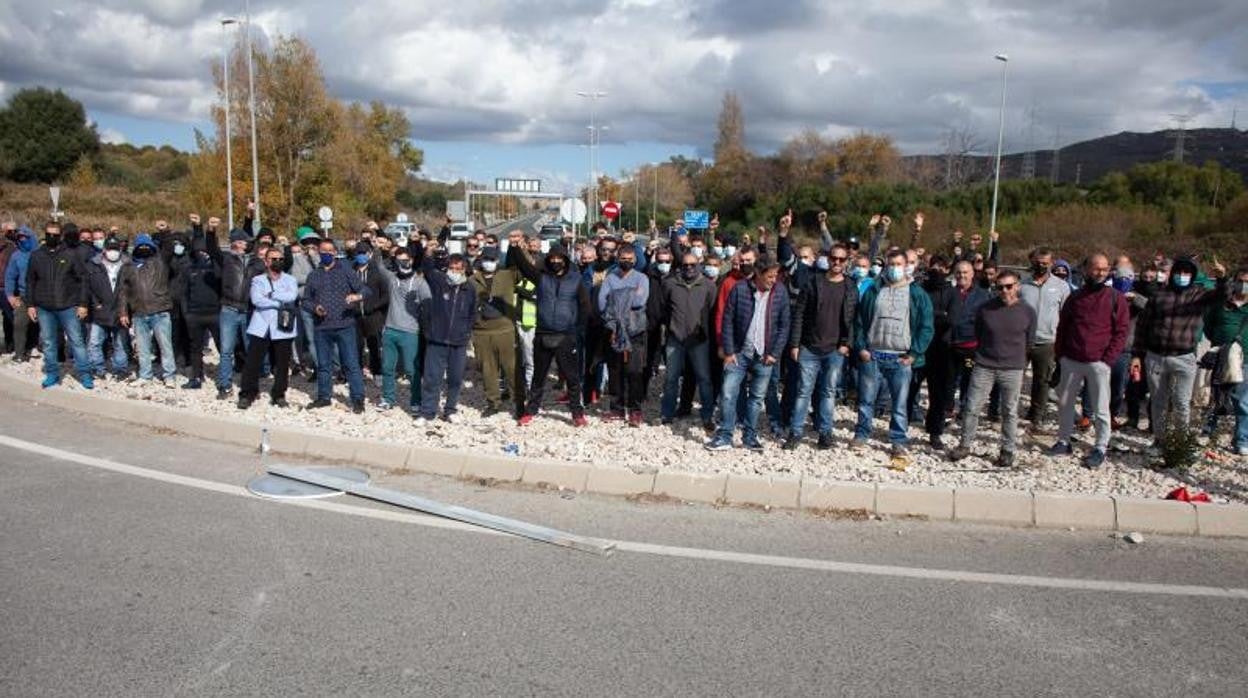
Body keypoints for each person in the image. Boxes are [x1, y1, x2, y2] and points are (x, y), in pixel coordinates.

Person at [1132, 255, 1227, 454]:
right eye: (1179, 272)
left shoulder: (1199, 295)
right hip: (1156, 356)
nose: (1182, 276)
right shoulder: (1159, 295)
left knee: (1182, 402)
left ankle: (1181, 443)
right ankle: (1160, 440)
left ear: (1192, 276)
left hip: (1184, 357)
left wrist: (1222, 279)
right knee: (1158, 401)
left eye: (1187, 273)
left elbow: (1221, 296)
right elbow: (1142, 326)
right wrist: (1137, 355)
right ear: (1173, 273)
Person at [1045, 255, 1131, 468]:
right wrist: (1061, 355)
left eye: (1104, 269)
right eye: (1096, 268)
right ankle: (1064, 441)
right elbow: (1063, 327)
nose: (1100, 272)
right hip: (1071, 360)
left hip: (1098, 362)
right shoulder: (1075, 298)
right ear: (1086, 270)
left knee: (1101, 408)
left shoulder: (1115, 298)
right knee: (1065, 404)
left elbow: (1121, 332)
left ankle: (1100, 446)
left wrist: (1107, 359)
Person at [851, 248, 935, 458]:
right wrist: (861, 347)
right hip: (873, 355)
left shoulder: (917, 294)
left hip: (900, 358)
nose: (894, 268)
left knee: (899, 403)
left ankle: (898, 439)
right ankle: (862, 433)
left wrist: (914, 353)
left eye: (898, 264)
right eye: (891, 264)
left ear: (906, 266)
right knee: (866, 400)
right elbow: (859, 322)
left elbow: (926, 326)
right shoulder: (873, 290)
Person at [948, 270, 1036, 467]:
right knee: (971, 407)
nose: (1004, 291)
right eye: (1000, 287)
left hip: (1012, 368)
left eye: (1009, 286)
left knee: (1009, 410)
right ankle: (965, 444)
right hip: (985, 364)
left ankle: (1007, 449)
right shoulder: (985, 309)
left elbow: (1029, 341)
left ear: (1017, 286)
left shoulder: (1028, 311)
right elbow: (979, 333)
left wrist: (1020, 362)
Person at [706, 257, 790, 452]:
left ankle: (750, 437)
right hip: (739, 352)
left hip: (765, 355)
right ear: (758, 274)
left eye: (775, 276)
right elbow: (727, 320)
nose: (773, 280)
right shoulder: (740, 289)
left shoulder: (780, 292)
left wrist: (775, 353)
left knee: (756, 398)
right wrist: (728, 351)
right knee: (728, 393)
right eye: (770, 276)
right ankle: (725, 435)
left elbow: (784, 325)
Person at [510, 242, 591, 426]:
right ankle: (531, 410)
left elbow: (585, 306)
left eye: (559, 258)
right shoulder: (541, 278)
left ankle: (577, 413)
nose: (556, 261)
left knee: (572, 378)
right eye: (552, 258)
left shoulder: (575, 280)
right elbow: (525, 267)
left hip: (566, 336)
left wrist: (578, 328)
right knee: (538, 376)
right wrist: (515, 248)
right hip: (543, 334)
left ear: (565, 260)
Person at [785, 243, 857, 450]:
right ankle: (795, 432)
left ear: (846, 262)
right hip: (809, 347)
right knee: (803, 392)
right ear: (828, 258)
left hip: (835, 350)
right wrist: (795, 343)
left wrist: (846, 344)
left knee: (828, 393)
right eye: (834, 258)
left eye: (842, 259)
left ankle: (825, 433)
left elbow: (853, 319)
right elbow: (799, 313)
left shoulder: (850, 287)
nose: (837, 262)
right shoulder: (812, 282)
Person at [303, 239, 370, 414]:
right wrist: (314, 308)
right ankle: (324, 396)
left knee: (351, 364)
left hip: (345, 324)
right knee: (324, 365)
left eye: (331, 251)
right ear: (318, 252)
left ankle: (357, 399)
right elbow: (306, 301)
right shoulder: (314, 275)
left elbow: (364, 289)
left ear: (335, 252)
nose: (327, 254)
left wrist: (357, 297)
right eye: (324, 251)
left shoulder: (346, 271)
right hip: (322, 326)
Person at [24, 221, 93, 389]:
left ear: (60, 236)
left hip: (68, 305)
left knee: (77, 341)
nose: (52, 237)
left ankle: (85, 374)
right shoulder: (37, 255)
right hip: (44, 307)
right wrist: (30, 305)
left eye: (55, 235)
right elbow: (30, 281)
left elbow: (83, 279)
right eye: (49, 235)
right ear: (45, 235)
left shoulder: (70, 254)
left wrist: (83, 303)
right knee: (48, 342)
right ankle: (52, 374)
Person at [416, 246, 477, 424]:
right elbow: (427, 269)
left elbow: (472, 313)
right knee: (432, 378)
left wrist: (466, 332)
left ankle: (450, 410)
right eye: (452, 268)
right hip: (437, 340)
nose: (455, 272)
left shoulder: (470, 289)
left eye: (458, 269)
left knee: (455, 378)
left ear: (464, 270)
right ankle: (428, 412)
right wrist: (428, 253)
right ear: (447, 268)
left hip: (459, 342)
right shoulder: (439, 282)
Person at [659, 252, 717, 430]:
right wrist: (670, 329)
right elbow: (664, 308)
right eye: (685, 265)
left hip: (699, 340)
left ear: (699, 264)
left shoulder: (708, 286)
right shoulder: (670, 284)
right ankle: (667, 413)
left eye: (693, 264)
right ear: (680, 266)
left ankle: (707, 415)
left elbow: (712, 312)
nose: (689, 268)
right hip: (675, 339)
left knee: (704, 379)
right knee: (671, 378)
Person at [238, 247, 298, 409]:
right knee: (253, 362)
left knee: (282, 363)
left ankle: (279, 394)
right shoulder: (258, 280)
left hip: (283, 327)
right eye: (273, 259)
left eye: (280, 259)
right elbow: (257, 300)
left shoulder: (290, 280)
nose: (277, 262)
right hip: (261, 326)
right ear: (266, 261)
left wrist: (271, 296)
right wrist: (279, 301)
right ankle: (247, 393)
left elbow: (291, 296)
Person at [598, 244, 649, 425]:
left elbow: (640, 301)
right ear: (617, 259)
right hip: (614, 330)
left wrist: (616, 297)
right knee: (615, 371)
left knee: (634, 371)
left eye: (630, 259)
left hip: (635, 331)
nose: (626, 261)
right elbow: (602, 304)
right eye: (623, 258)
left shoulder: (642, 278)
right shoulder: (610, 278)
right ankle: (617, 408)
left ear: (635, 260)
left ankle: (635, 409)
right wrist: (629, 293)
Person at [375, 245, 430, 412]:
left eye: (406, 260)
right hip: (390, 330)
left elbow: (428, 304)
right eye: (399, 261)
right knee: (387, 367)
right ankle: (388, 399)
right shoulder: (392, 279)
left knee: (411, 370)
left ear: (411, 261)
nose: (403, 264)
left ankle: (416, 401)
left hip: (410, 332)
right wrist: (379, 248)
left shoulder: (420, 282)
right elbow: (378, 265)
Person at [212, 228, 265, 400]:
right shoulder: (226, 259)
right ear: (234, 242)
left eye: (247, 241)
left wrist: (250, 215)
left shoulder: (256, 262)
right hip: (229, 309)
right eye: (242, 241)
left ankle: (251, 387)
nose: (246, 243)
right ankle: (224, 386)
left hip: (249, 310)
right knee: (226, 350)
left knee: (251, 350)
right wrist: (211, 231)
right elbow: (212, 249)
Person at [1018, 247, 1070, 425]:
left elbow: (1066, 315)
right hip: (1022, 340)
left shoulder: (1062, 287)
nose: (1041, 266)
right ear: (1032, 262)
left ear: (1052, 263)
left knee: (1043, 381)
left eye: (1045, 264)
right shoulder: (1022, 285)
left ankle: (1037, 415)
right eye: (1038, 263)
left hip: (1048, 341)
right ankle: (1009, 411)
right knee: (1015, 378)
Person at [469, 247, 521, 417]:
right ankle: (493, 402)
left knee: (512, 368)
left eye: (492, 259)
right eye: (486, 259)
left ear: (498, 260)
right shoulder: (472, 280)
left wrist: (517, 248)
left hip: (505, 329)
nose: (489, 263)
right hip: (481, 332)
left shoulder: (508, 275)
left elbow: (526, 268)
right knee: (487, 369)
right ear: (481, 260)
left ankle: (519, 401)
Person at [118, 234, 176, 386]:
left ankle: (169, 375)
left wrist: (166, 232)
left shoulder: (160, 262)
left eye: (147, 246)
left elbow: (169, 249)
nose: (144, 249)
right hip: (139, 313)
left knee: (165, 346)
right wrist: (123, 312)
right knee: (143, 347)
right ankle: (145, 375)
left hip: (160, 311)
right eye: (140, 246)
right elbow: (123, 291)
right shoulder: (128, 267)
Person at [1204, 268, 1248, 455]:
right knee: (1215, 397)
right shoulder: (1221, 304)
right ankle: (1207, 432)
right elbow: (1208, 324)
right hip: (1220, 356)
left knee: (1242, 401)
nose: (1244, 284)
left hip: (1245, 359)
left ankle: (1242, 439)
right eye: (1241, 280)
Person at [85, 237, 130, 379]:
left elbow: (132, 288)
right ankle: (97, 368)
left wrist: (126, 308)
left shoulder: (128, 265)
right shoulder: (94, 264)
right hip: (99, 310)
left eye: (116, 249)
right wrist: (95, 303)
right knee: (94, 342)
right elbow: (88, 287)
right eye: (110, 249)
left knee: (121, 343)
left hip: (120, 311)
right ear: (104, 250)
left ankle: (120, 369)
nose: (113, 252)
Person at [180, 246, 222, 390]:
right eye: (199, 251)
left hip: (214, 313)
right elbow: (183, 294)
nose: (202, 254)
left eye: (205, 251)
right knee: (195, 348)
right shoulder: (188, 269)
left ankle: (224, 377)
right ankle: (196, 377)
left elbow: (223, 289)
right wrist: (187, 314)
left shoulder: (216, 270)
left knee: (223, 346)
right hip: (195, 315)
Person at [5, 226, 37, 361]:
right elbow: (10, 276)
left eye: (25, 237)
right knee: (19, 324)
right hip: (24, 295)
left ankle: (35, 347)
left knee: (40, 324)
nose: (22, 240)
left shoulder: (40, 253)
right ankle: (19, 353)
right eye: (20, 238)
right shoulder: (16, 256)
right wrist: (10, 295)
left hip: (42, 295)